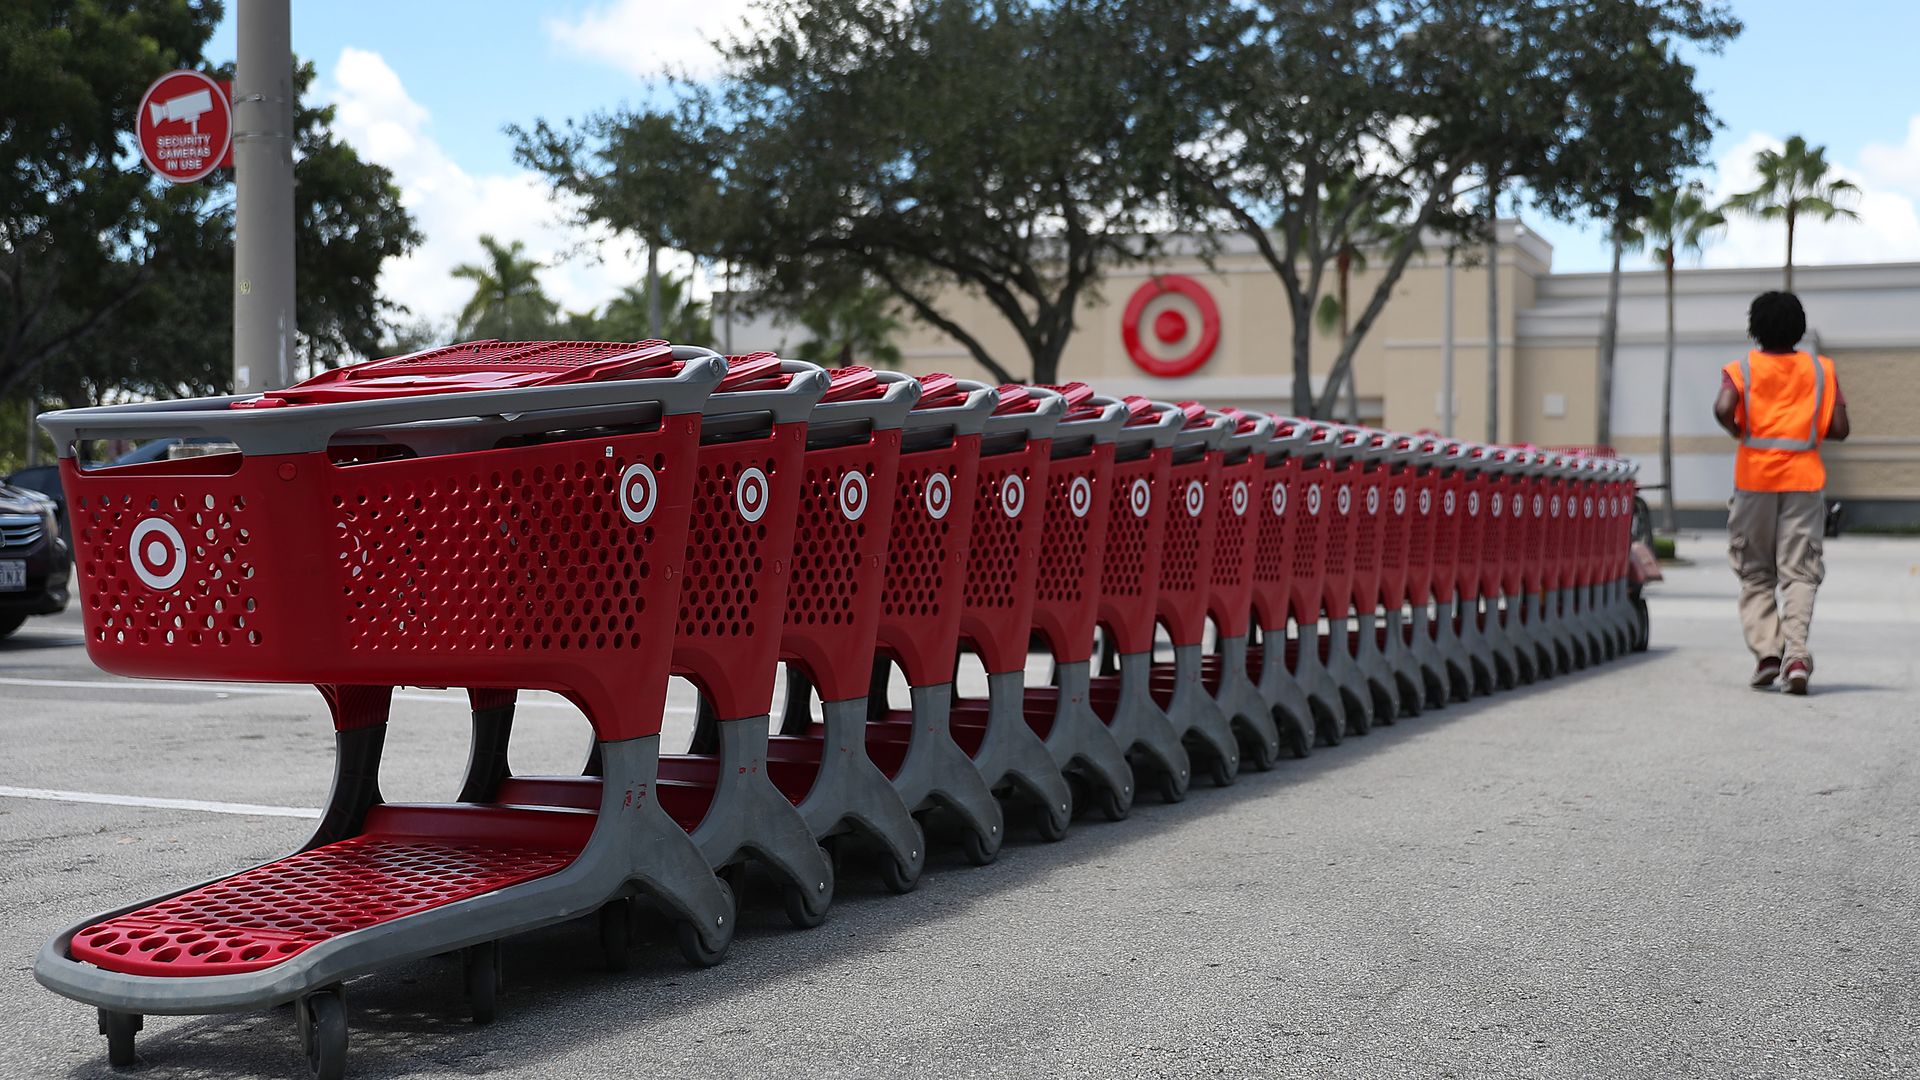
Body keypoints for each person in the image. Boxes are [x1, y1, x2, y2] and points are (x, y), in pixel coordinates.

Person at [1713, 291, 1849, 695]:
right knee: (1800, 571)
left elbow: (1723, 408)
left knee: (1755, 571)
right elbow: (1840, 429)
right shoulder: (1821, 370)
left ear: (1754, 328)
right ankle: (1796, 657)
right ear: (1800, 328)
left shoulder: (1741, 369)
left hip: (1754, 479)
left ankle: (1768, 653)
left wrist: (1740, 430)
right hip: (1804, 481)